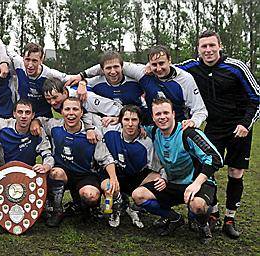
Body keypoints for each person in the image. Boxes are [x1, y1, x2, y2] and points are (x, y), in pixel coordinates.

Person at [178, 30, 259, 239]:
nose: (208, 50)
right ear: (198, 49)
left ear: (219, 46)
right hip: (212, 127)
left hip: (239, 129)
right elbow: (168, 71)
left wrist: (245, 123)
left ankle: (230, 219)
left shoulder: (236, 67)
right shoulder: (191, 67)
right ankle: (213, 213)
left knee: (235, 173)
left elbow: (257, 98)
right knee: (207, 169)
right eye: (203, 46)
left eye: (211, 45)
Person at [132, 98, 223, 244]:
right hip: (173, 183)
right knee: (138, 195)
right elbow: (131, 123)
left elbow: (215, 158)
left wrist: (197, 184)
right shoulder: (154, 132)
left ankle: (203, 225)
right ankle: (174, 218)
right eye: (158, 114)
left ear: (174, 114)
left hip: (196, 183)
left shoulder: (189, 133)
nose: (162, 117)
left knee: (198, 206)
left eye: (166, 112)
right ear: (153, 117)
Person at [70, 45, 208, 129]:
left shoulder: (185, 79)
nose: (158, 68)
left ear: (170, 61)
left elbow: (200, 110)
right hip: (151, 125)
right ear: (149, 63)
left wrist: (193, 122)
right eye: (154, 64)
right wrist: (82, 78)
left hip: (178, 127)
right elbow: (109, 65)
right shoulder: (143, 73)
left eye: (162, 63)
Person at [37, 97, 116, 227]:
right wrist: (35, 123)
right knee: (55, 173)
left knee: (91, 196)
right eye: (67, 109)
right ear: (61, 112)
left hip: (85, 175)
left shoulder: (92, 134)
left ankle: (85, 208)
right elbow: (39, 120)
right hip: (64, 172)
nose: (71, 113)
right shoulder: (54, 125)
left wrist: (113, 178)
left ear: (81, 113)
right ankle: (57, 210)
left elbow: (106, 158)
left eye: (75, 109)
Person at [100, 105, 163, 228]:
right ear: (120, 120)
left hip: (134, 177)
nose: (130, 124)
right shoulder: (109, 131)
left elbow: (156, 168)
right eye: (126, 119)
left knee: (158, 178)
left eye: (134, 120)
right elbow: (89, 119)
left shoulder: (147, 143)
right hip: (114, 174)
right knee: (108, 187)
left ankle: (136, 207)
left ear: (140, 122)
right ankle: (112, 209)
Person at [8, 42, 71, 117]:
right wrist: (4, 63)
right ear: (23, 57)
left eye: (34, 61)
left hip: (44, 118)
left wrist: (82, 83)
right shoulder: (18, 63)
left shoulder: (50, 74)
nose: (30, 65)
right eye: (27, 60)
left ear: (41, 60)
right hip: (24, 116)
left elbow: (73, 78)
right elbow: (3, 48)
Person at [0, 99, 54, 170]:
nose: (23, 116)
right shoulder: (3, 127)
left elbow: (47, 155)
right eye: (20, 112)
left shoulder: (38, 131)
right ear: (14, 114)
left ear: (33, 115)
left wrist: (46, 166)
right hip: (3, 172)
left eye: (27, 112)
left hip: (28, 173)